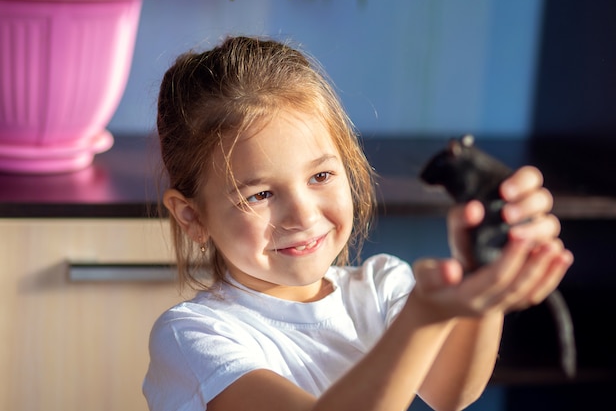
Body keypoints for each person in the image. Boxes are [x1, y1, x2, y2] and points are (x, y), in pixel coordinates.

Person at [143, 35, 573, 411]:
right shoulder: (194, 338)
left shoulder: (381, 288)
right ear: (192, 216)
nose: (304, 215)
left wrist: (486, 280)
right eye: (260, 194)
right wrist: (423, 317)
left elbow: (452, 394)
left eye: (321, 176)